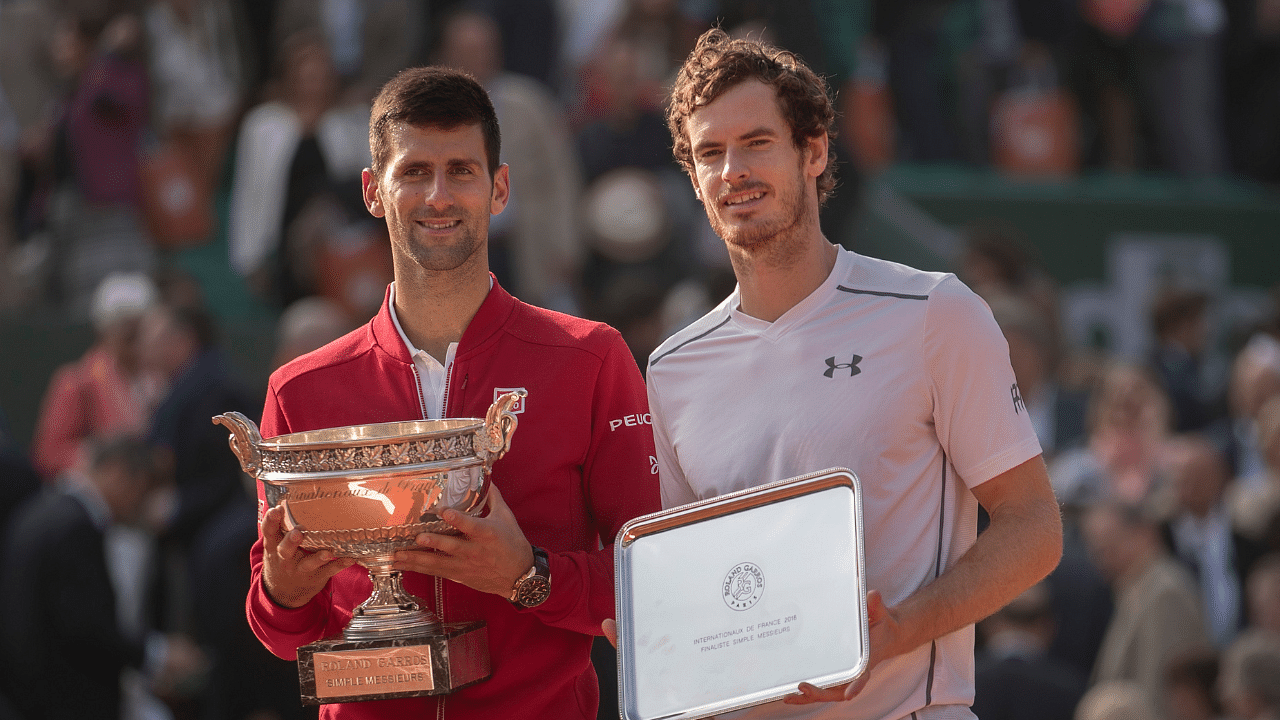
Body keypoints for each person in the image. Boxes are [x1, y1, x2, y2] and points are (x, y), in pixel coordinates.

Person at [631, 28, 1063, 720]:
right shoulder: (672, 367)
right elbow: (703, 588)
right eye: (710, 153)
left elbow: (1035, 528)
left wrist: (900, 632)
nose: (733, 170)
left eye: (757, 142)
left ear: (815, 151)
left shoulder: (935, 312)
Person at [246, 66, 659, 720]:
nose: (438, 196)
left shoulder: (590, 358)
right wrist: (283, 591)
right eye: (413, 172)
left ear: (499, 189)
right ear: (373, 192)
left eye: (461, 171)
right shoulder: (299, 389)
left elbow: (651, 582)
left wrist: (527, 576)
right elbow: (282, 630)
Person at [0, 435, 203, 720]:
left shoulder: (44, 512)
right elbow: (85, 626)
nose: (139, 502)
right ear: (118, 473)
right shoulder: (75, 527)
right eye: (140, 488)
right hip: (61, 701)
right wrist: (157, 654)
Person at [1081, 502, 1211, 712]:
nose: (1101, 560)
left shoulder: (1165, 593)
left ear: (1144, 533)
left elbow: (1159, 694)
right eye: (1097, 552)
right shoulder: (1136, 589)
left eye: (1109, 548)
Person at [30, 271, 159, 481]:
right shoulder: (77, 381)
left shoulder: (162, 379)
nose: (136, 343)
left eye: (141, 332)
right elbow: (49, 453)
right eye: (128, 334)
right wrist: (101, 458)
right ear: (104, 331)